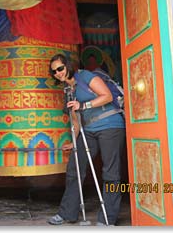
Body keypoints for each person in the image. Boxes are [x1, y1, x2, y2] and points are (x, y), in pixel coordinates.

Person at [47, 53, 125, 226]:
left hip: (110, 125)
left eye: (60, 68)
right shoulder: (68, 90)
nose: (58, 73)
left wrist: (84, 105)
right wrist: (73, 141)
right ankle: (67, 213)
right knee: (74, 167)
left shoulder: (85, 76)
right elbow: (75, 121)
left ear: (68, 65)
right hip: (88, 129)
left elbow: (107, 96)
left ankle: (107, 219)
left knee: (111, 173)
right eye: (54, 72)